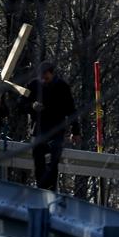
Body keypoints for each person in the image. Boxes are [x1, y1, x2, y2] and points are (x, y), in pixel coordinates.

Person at [18, 61, 81, 191]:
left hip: (56, 129)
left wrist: (76, 131)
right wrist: (32, 106)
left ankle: (51, 188)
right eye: (41, 76)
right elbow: (20, 104)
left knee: (53, 161)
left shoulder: (62, 87)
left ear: (52, 74)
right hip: (38, 129)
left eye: (45, 76)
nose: (43, 79)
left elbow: (71, 109)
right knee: (38, 161)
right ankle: (40, 187)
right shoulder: (33, 85)